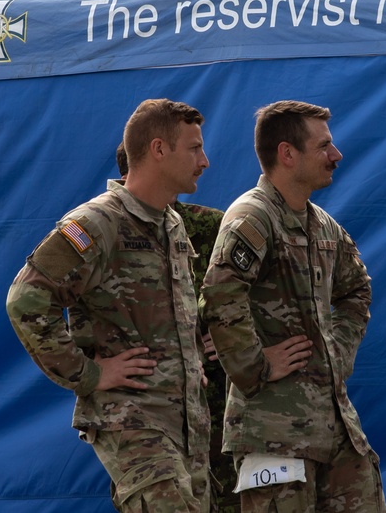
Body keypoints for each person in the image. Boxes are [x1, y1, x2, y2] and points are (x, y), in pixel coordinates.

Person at [6, 99, 213, 512]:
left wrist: (190, 359)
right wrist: (88, 374)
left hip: (187, 422)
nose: (204, 161)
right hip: (132, 420)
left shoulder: (170, 224)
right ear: (158, 149)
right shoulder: (97, 223)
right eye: (193, 148)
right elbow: (26, 299)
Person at [201, 100, 386, 512]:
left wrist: (336, 354)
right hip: (274, 432)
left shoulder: (322, 224)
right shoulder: (253, 217)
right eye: (324, 146)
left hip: (336, 430)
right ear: (288, 154)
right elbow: (219, 295)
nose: (336, 156)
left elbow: (357, 290)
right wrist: (256, 365)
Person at [119, 143, 239, 512]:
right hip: (147, 403)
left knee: (228, 495)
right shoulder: (106, 227)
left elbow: (254, 293)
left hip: (215, 400)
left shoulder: (210, 227)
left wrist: (231, 335)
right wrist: (90, 372)